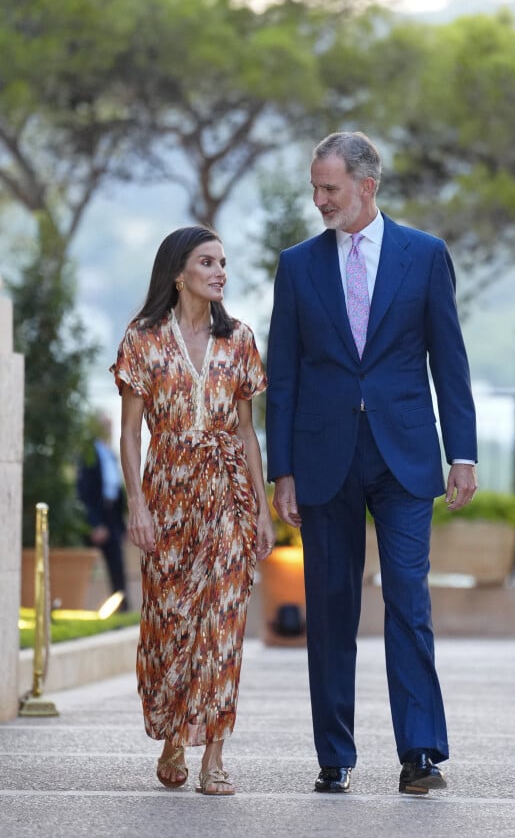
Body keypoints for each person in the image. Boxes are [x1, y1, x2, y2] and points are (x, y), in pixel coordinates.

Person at [266, 132, 477, 795]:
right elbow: (284, 376)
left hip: (406, 456)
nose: (319, 199)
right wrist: (284, 469)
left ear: (367, 186)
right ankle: (335, 753)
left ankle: (421, 752)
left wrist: (462, 451)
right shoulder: (297, 265)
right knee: (328, 608)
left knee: (407, 599)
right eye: (314, 187)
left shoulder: (424, 255)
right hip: (323, 456)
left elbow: (449, 358)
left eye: (329, 188)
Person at [110, 225, 275, 796]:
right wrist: (137, 502)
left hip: (228, 492)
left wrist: (261, 512)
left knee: (224, 624)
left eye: (224, 262)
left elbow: (249, 435)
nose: (220, 272)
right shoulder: (143, 340)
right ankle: (175, 736)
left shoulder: (241, 339)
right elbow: (130, 436)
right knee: (169, 620)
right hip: (167, 493)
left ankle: (215, 755)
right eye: (208, 262)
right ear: (179, 272)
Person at [77, 411, 130, 611]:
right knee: (87, 567)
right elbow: (85, 491)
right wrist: (95, 523)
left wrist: (122, 526)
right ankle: (79, 607)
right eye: (105, 425)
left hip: (112, 516)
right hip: (96, 516)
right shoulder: (89, 453)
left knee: (118, 566)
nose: (108, 429)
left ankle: (122, 607)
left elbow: (117, 491)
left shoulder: (110, 453)